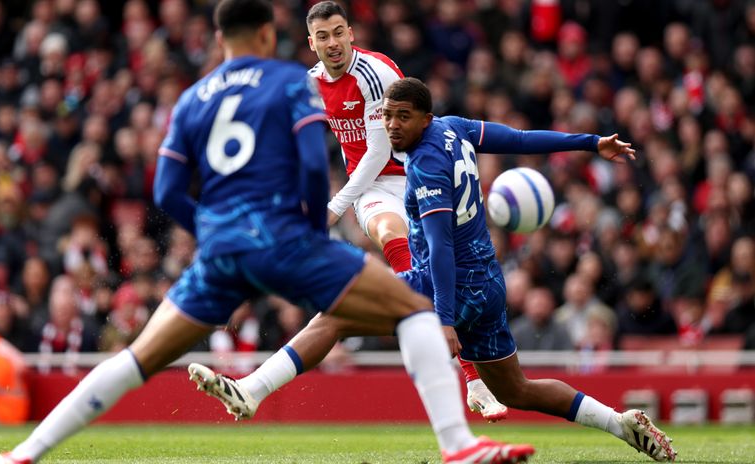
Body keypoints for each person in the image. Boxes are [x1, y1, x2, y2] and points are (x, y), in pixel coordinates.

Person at [0, 3, 533, 464]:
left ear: (219, 38)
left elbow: (168, 189)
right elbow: (313, 166)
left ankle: (24, 454)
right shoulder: (292, 81)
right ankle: (459, 444)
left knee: (137, 357)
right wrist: (314, 220)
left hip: (221, 246)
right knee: (413, 308)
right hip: (284, 237)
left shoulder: (193, 97)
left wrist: (210, 232)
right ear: (270, 34)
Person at [196, 78, 677, 462]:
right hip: (488, 282)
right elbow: (521, 138)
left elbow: (441, 246)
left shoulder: (425, 165)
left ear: (424, 117)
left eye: (403, 117)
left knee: (335, 313)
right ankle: (621, 423)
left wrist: (444, 319)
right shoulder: (457, 128)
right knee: (517, 389)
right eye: (386, 116)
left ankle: (252, 390)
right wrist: (591, 143)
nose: (393, 124)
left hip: (448, 283)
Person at [305, 0, 505, 421]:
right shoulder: (310, 85)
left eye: (338, 32)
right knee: (393, 238)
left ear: (351, 33)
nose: (333, 42)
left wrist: (334, 207)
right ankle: (469, 376)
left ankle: (463, 370)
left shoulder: (375, 73)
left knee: (433, 267)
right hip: (371, 187)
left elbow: (380, 150)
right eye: (323, 36)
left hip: (413, 175)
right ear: (312, 43)